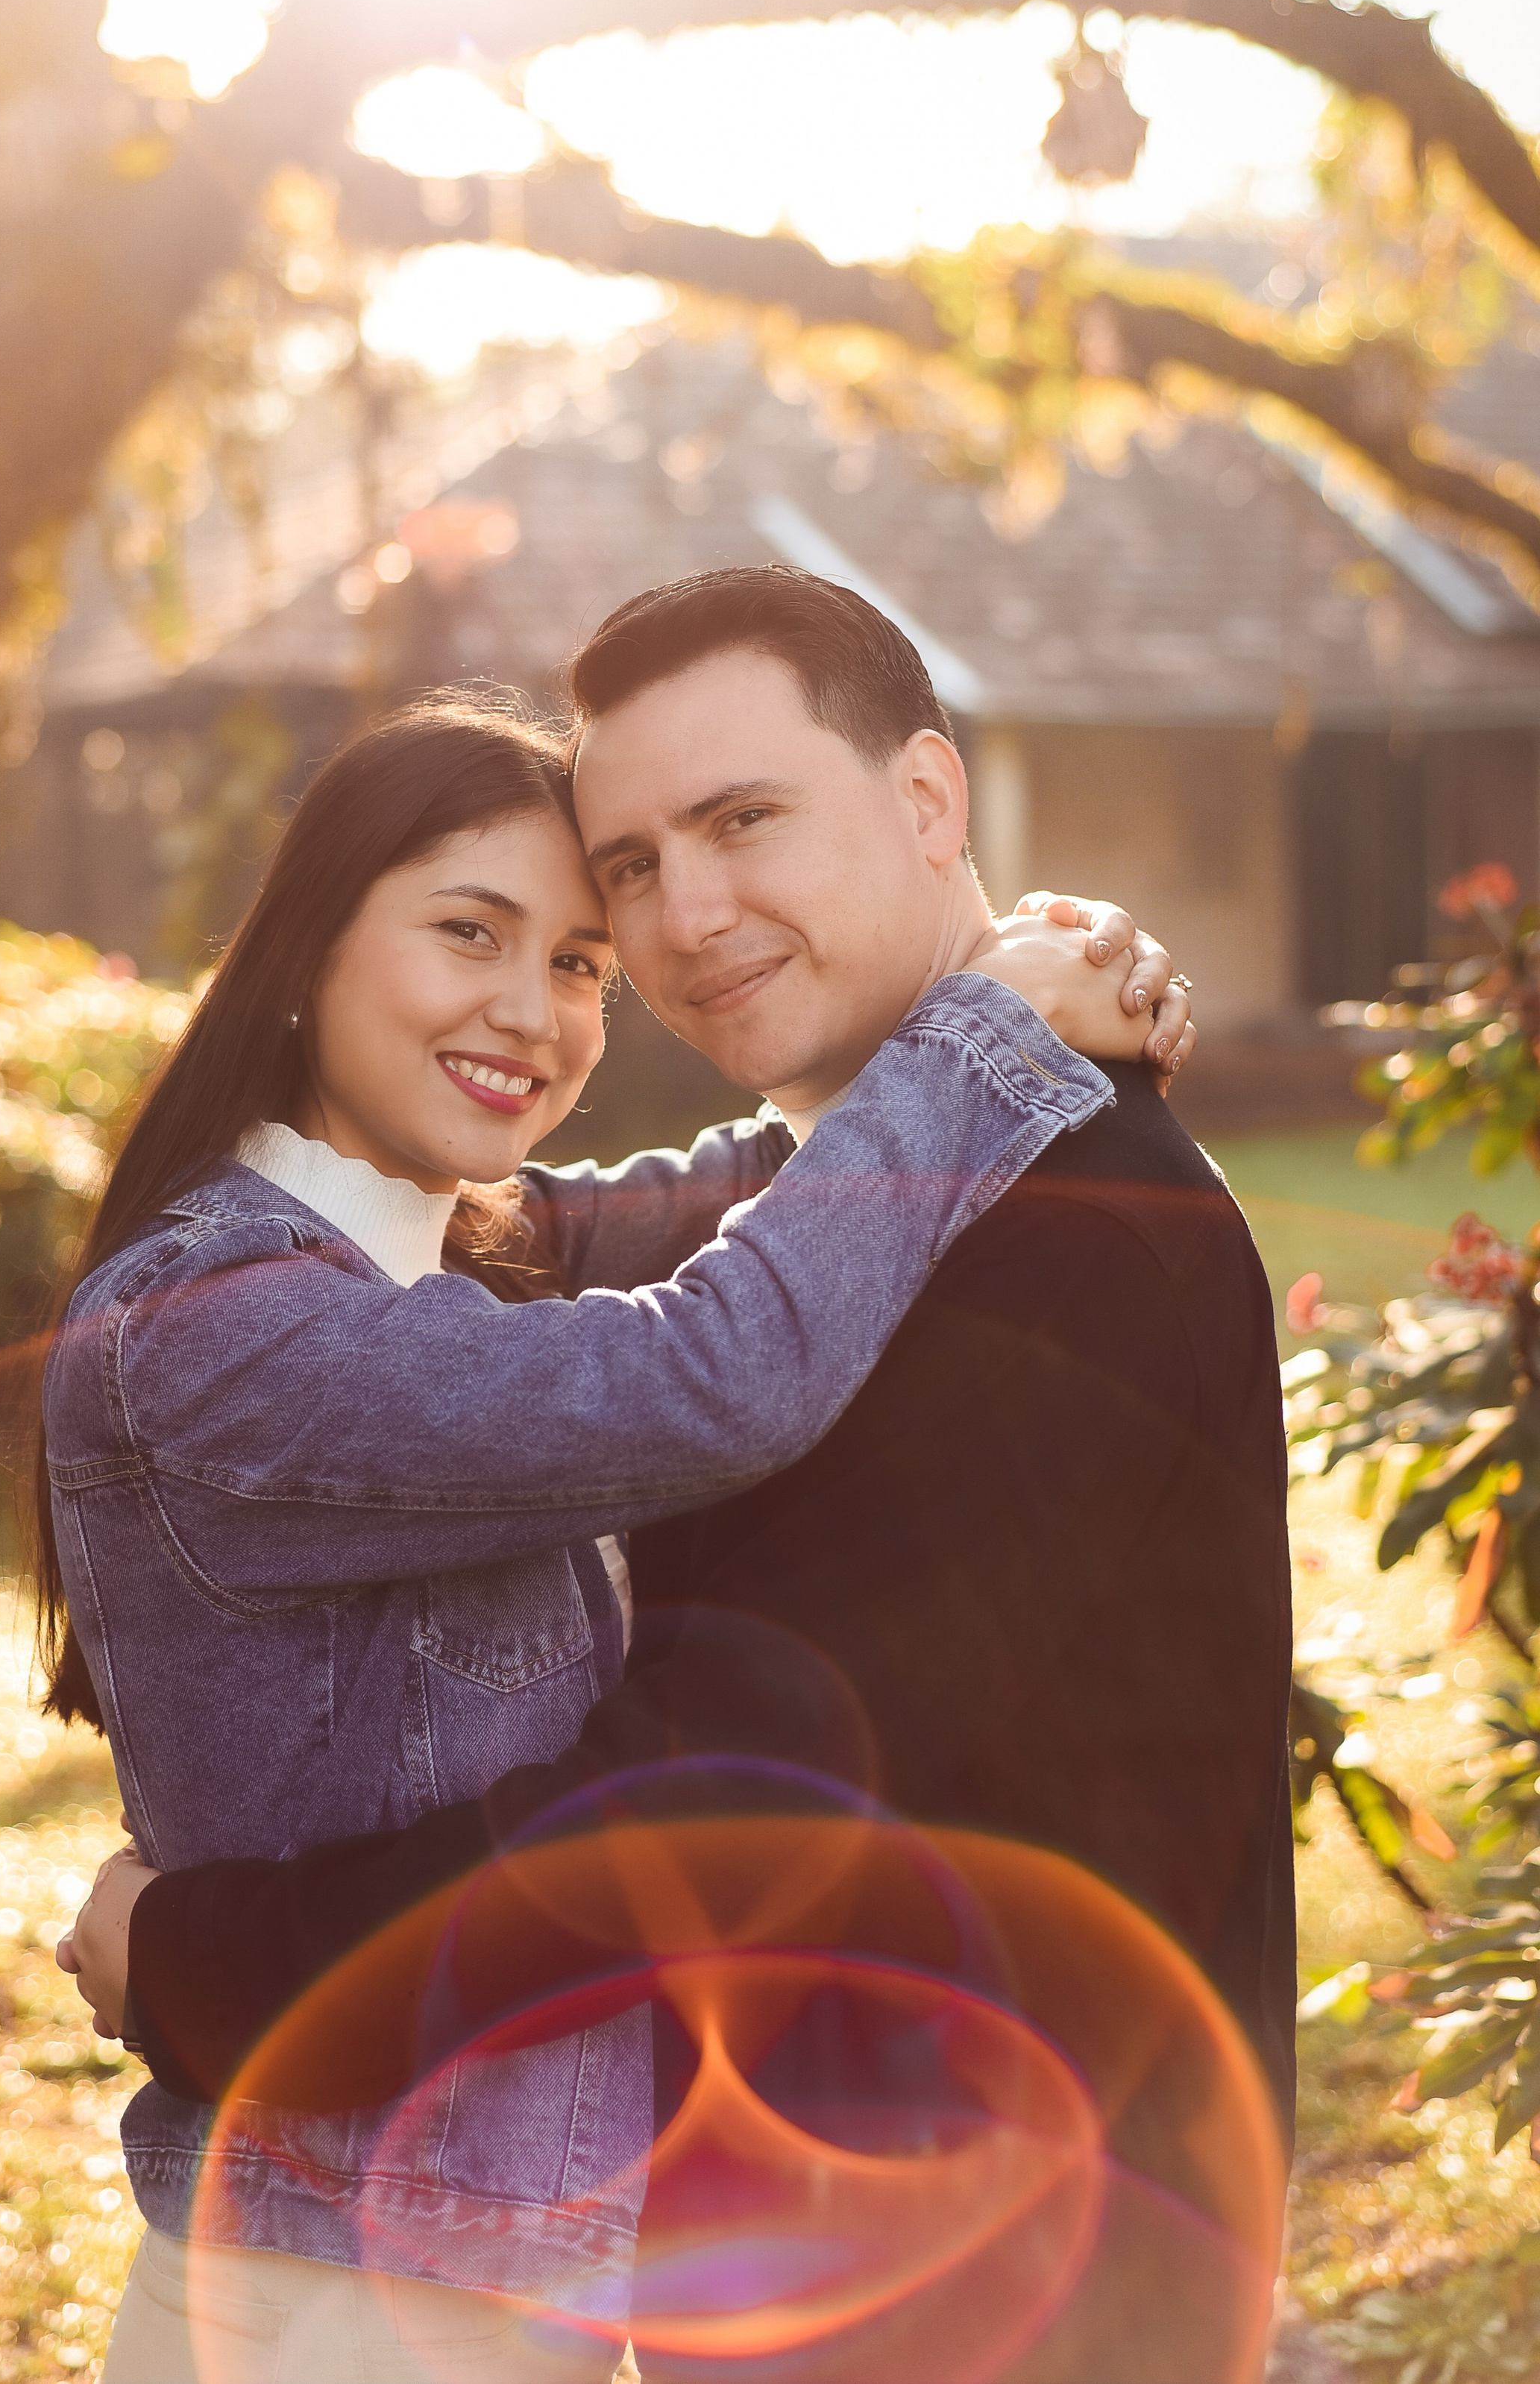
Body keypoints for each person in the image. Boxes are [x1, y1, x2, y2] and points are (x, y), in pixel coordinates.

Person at [66, 570, 1292, 2381]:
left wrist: (209, 1966)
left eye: (740, 820)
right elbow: (613, 1246)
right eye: (629, 867)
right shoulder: (852, 1209)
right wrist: (996, 1015)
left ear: (927, 799)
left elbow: (715, 1800)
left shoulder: (1062, 1237)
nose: (683, 916)